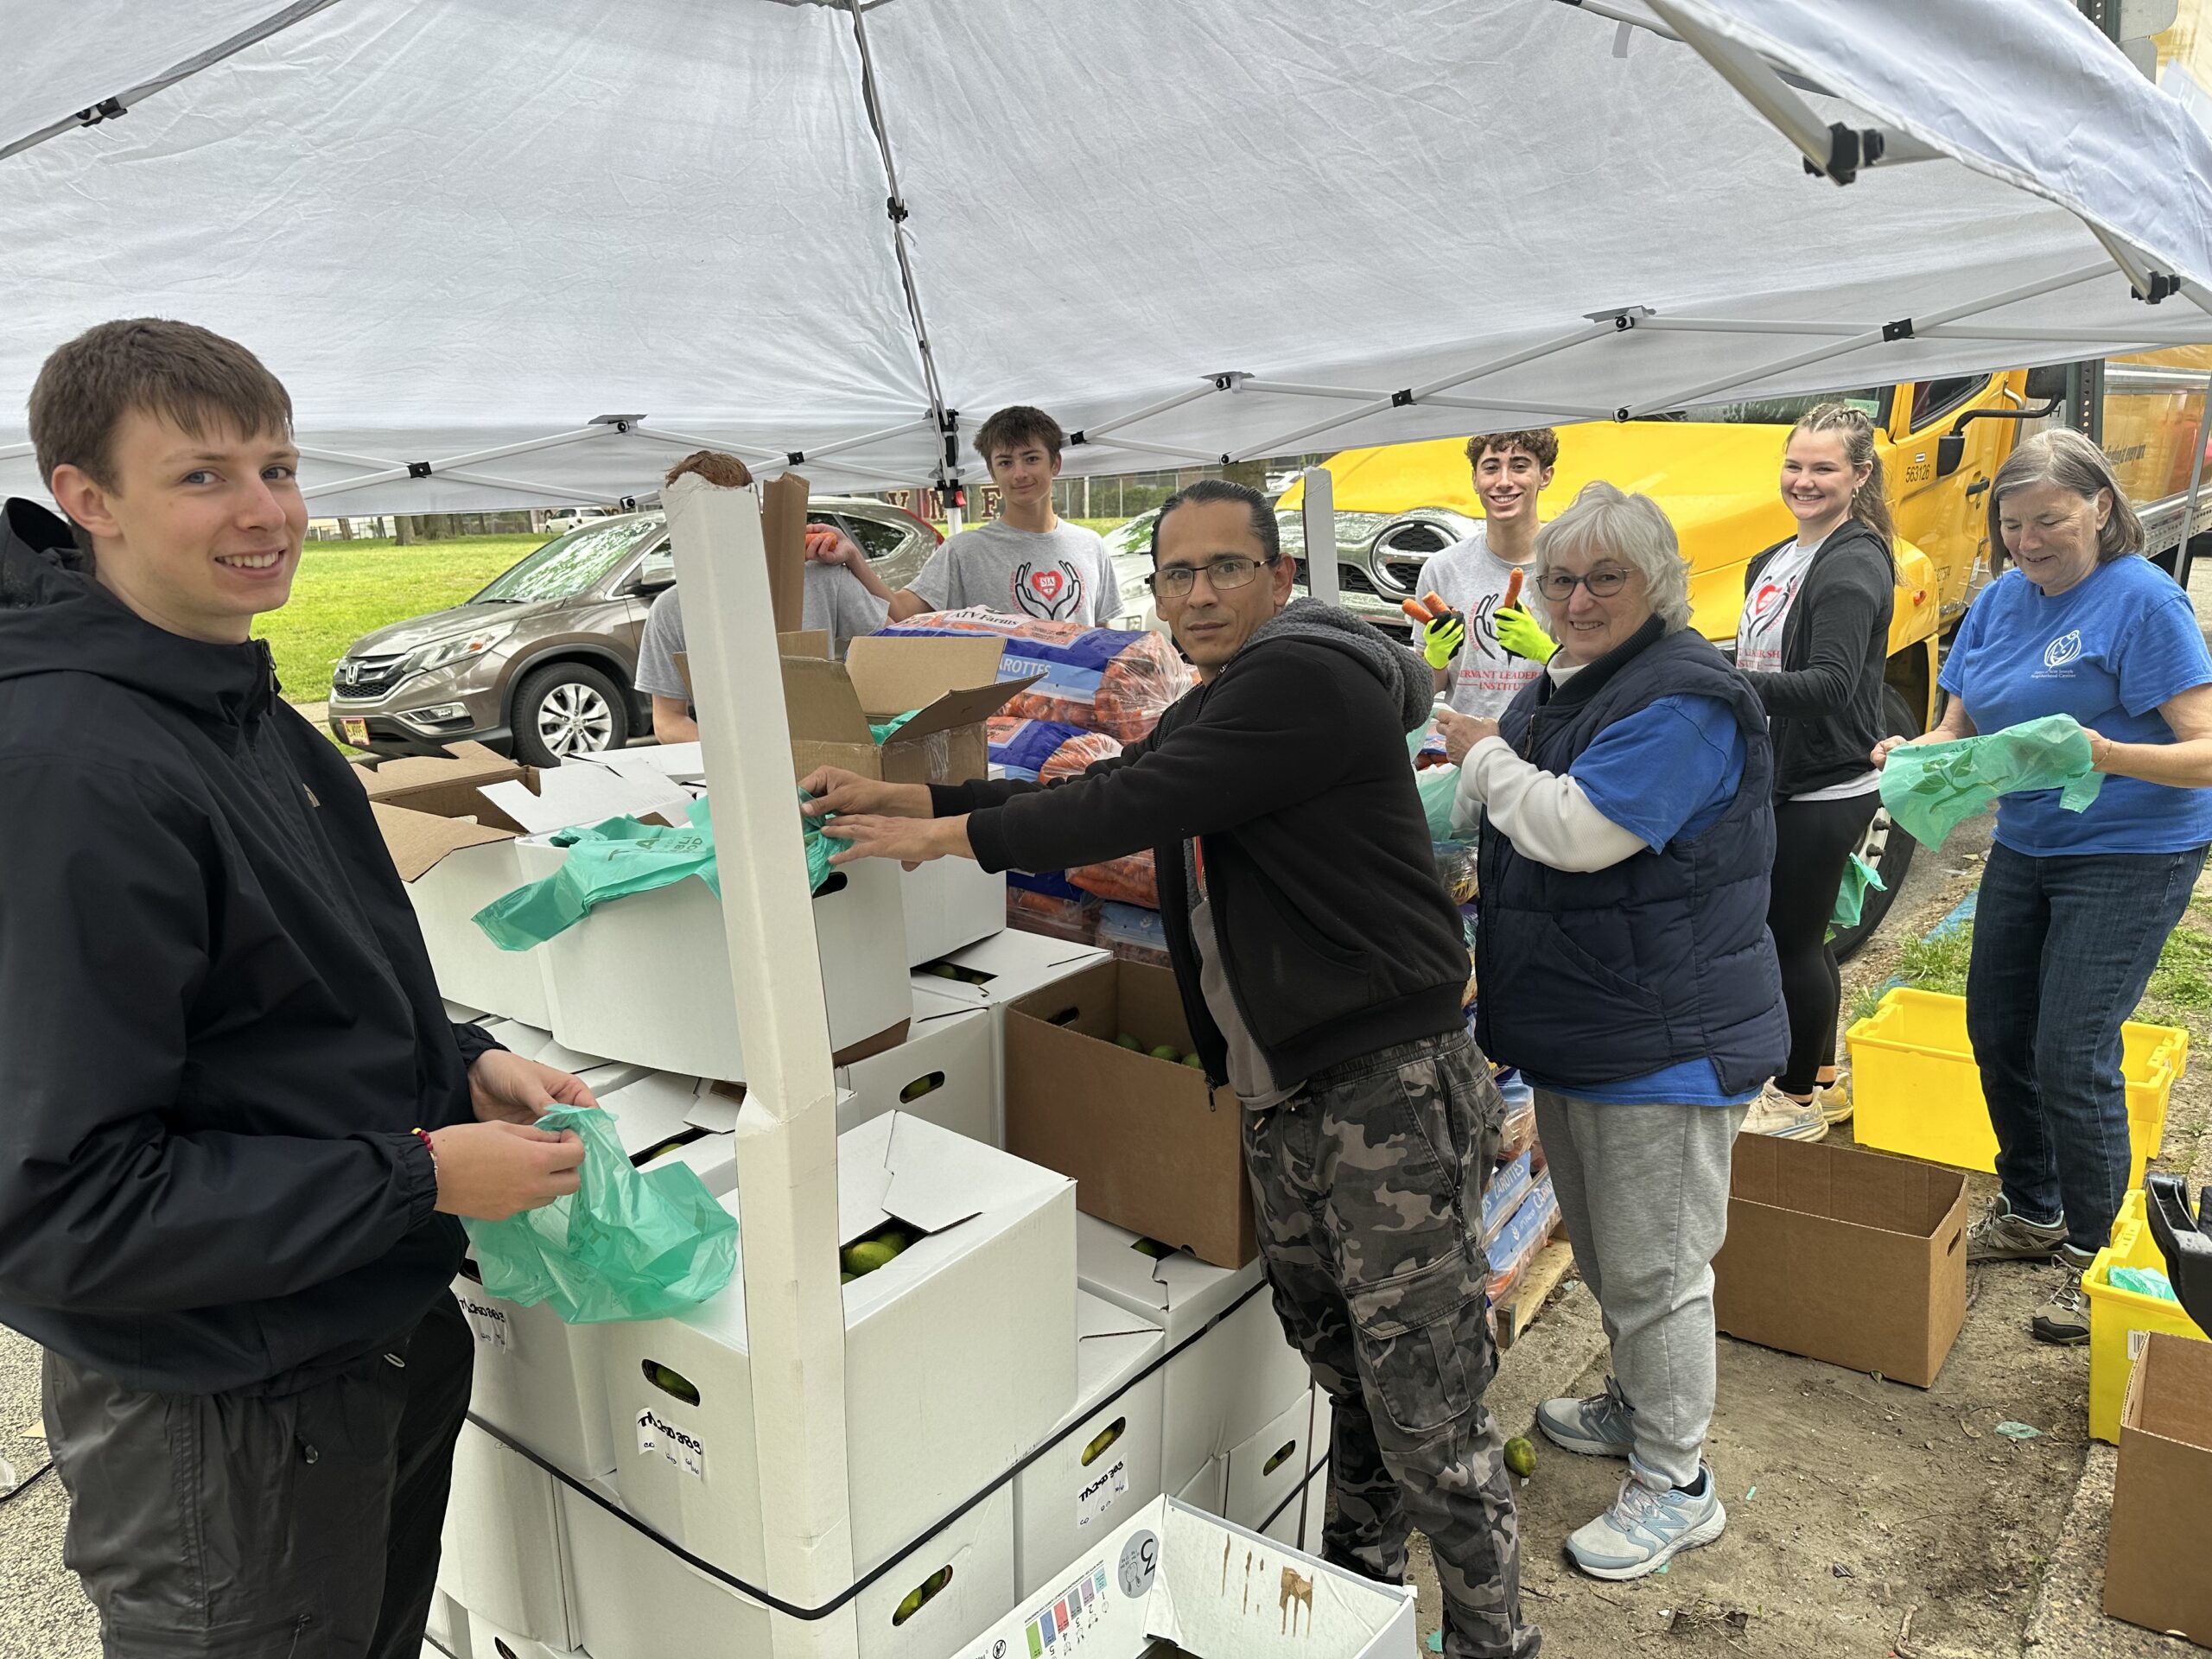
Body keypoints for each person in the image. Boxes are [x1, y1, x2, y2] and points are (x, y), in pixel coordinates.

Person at [805, 480, 1538, 1659]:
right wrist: (921, 790)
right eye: (1177, 574)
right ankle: (1354, 1602)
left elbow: (1140, 799)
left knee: (1430, 1416)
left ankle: (1493, 1643)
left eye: (1225, 567)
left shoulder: (1305, 679)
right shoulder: (1226, 698)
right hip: (1287, 1094)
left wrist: (945, 836)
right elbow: (1109, 788)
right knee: (1349, 1380)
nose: (1198, 594)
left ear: (1278, 578)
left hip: (1384, 1092)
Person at [0, 319, 594, 1658]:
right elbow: (63, 1206)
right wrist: (420, 1177)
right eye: (203, 476)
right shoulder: (68, 773)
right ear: (88, 499)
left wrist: (462, 1061)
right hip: (222, 1412)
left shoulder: (238, 701)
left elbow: (287, 989)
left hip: (358, 1333)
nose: (266, 513)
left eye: (277, 467)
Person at [1436, 480, 1786, 1581]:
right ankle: (1639, 1407)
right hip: (1591, 1020)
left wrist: (1481, 756)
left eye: (1604, 578)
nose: (1577, 599)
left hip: (1665, 1037)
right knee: (1604, 1252)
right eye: (1560, 580)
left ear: (1660, 585)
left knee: (1657, 1271)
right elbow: (1485, 803)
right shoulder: (1572, 681)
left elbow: (1578, 831)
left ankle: (1677, 1483)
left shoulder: (1684, 701)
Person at [1874, 428, 2212, 1345]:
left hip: (2132, 848)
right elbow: (1961, 725)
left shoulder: (2142, 603)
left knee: (2071, 1050)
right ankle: (2033, 1208)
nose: (2027, 542)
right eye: (2012, 524)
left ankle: (2099, 1257)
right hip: (2028, 841)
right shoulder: (1998, 601)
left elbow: (2205, 750)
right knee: (1996, 1030)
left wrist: (2105, 754)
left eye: (2049, 520)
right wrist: (1913, 752)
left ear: (2100, 507)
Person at [1733, 404, 1896, 1141]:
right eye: (1794, 465)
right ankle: (1822, 1080)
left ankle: (1793, 1099)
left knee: (1787, 939)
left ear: (1859, 475)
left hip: (1824, 781)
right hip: (1785, 773)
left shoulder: (1852, 565)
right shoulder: (1776, 557)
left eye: (1824, 468)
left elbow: (1830, 684)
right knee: (1807, 935)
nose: (1804, 480)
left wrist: (1720, 681)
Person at [634, 454, 893, 743]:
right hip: (732, 760)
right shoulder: (672, 609)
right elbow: (667, 720)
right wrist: (735, 755)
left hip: (827, 751)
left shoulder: (821, 578)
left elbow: (896, 648)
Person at [886, 404, 1123, 626]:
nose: (1019, 474)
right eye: (1005, 463)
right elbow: (900, 612)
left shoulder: (1091, 545)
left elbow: (1102, 634)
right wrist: (861, 565)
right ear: (992, 473)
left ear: (1055, 464)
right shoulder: (963, 552)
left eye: (1031, 459)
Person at [1422, 429, 1560, 717]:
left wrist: (1546, 653)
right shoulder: (1442, 569)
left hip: (1547, 734)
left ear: (1545, 476)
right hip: (1463, 738)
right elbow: (1426, 690)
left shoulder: (1571, 565)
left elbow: (1599, 683)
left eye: (1519, 466)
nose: (1504, 481)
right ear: (1475, 479)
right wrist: (1434, 660)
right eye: (1491, 468)